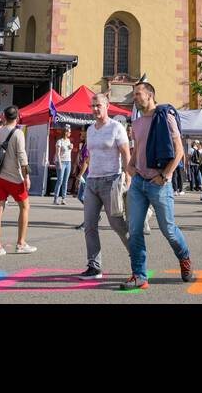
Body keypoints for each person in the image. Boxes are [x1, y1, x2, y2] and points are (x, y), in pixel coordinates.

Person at [122, 81, 194, 291]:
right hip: (138, 183)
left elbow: (179, 150)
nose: (134, 98)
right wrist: (130, 166)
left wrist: (166, 175)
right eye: (134, 95)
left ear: (150, 95)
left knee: (168, 230)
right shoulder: (135, 123)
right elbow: (138, 150)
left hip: (159, 183)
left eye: (138, 94)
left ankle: (184, 258)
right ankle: (139, 275)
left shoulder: (165, 117)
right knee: (134, 230)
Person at [78, 92, 131, 279]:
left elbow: (126, 153)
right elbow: (91, 155)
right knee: (90, 226)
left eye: (98, 105)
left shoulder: (117, 127)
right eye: (92, 106)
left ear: (107, 106)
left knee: (117, 224)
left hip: (112, 181)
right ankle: (94, 266)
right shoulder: (91, 130)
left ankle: (137, 258)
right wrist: (83, 174)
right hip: (92, 181)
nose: (94, 109)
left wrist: (128, 177)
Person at [0, 105, 35, 255]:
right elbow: (22, 156)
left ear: (4, 116)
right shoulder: (18, 133)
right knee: (25, 207)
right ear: (17, 117)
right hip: (15, 178)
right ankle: (21, 243)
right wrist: (26, 176)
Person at [52, 130, 73, 205]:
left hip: (68, 162)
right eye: (69, 132)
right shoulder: (59, 141)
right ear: (65, 132)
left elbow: (68, 151)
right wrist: (60, 163)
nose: (70, 133)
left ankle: (63, 199)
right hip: (61, 162)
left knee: (65, 181)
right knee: (60, 180)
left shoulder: (69, 140)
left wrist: (71, 147)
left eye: (70, 132)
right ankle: (55, 199)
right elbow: (57, 153)